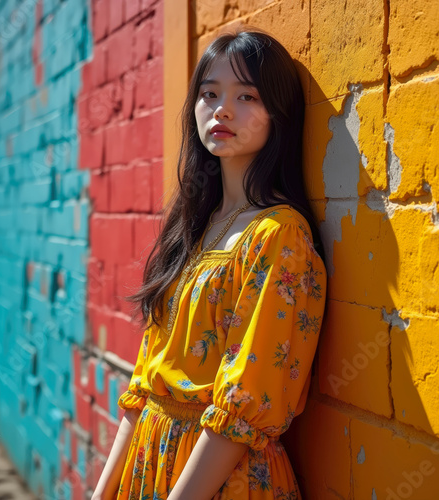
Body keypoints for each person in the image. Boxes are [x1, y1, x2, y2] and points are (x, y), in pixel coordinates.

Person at [91, 26, 327, 500]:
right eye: (209, 93)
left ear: (279, 114)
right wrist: (101, 493)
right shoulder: (194, 228)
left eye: (247, 96)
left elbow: (243, 408)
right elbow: (143, 388)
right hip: (150, 465)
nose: (222, 109)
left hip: (218, 479)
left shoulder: (278, 236)